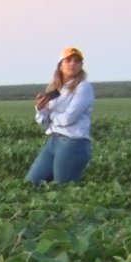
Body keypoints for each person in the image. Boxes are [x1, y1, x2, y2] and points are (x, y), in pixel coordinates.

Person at [25, 47, 93, 184]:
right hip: (53, 141)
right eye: (68, 60)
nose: (73, 64)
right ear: (60, 65)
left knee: (63, 189)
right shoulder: (55, 89)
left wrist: (51, 117)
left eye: (77, 61)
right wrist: (40, 108)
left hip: (73, 142)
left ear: (81, 66)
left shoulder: (83, 87)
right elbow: (44, 123)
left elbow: (69, 118)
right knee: (31, 183)